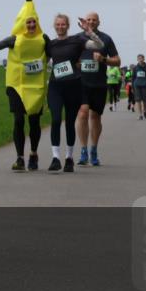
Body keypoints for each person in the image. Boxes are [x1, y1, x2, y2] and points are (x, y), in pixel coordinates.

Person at [0, 0, 50, 171]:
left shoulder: (43, 39)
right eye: (28, 22)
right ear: (22, 23)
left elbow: (55, 53)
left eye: (33, 22)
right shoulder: (14, 39)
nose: (31, 25)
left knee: (34, 121)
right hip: (16, 85)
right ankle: (20, 158)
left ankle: (33, 154)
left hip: (35, 86)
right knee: (19, 120)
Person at [45, 14, 104, 172]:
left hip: (73, 86)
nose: (60, 27)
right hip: (55, 86)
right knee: (56, 119)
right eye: (58, 24)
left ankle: (69, 158)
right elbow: (43, 61)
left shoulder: (77, 40)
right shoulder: (50, 44)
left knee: (70, 123)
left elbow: (99, 45)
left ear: (68, 26)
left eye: (63, 24)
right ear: (54, 26)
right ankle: (55, 158)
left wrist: (89, 31)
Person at [75, 12, 120, 167]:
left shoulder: (106, 39)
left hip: (99, 84)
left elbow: (117, 61)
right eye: (88, 19)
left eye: (94, 20)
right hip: (81, 83)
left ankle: (93, 149)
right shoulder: (78, 38)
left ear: (99, 22)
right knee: (83, 113)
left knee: (95, 116)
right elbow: (69, 57)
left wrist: (103, 59)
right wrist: (76, 63)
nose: (91, 22)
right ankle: (83, 150)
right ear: (84, 22)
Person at [130, 54, 146, 120]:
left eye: (141, 58)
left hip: (144, 85)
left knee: (145, 100)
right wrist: (132, 87)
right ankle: (140, 114)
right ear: (137, 59)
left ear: (143, 59)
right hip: (137, 85)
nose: (140, 59)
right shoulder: (135, 68)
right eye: (139, 58)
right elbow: (133, 78)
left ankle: (144, 110)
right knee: (138, 100)